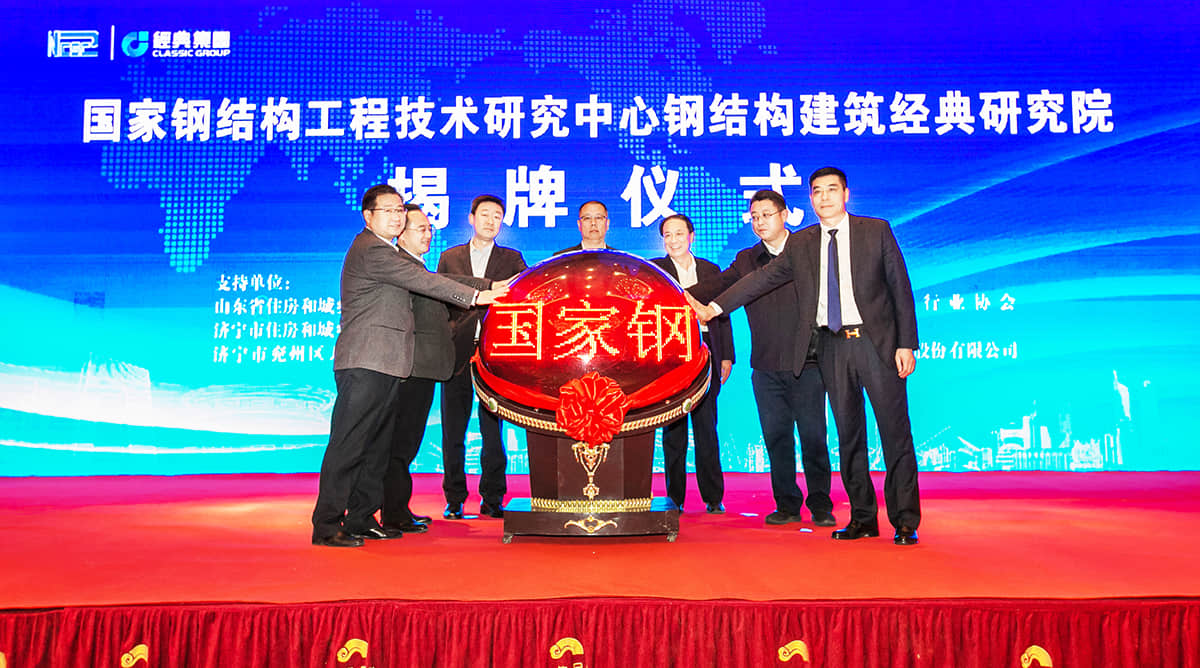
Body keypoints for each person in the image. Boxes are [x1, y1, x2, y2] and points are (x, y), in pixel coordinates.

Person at [693, 168, 921, 545]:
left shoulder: (875, 230)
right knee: (849, 436)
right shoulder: (802, 243)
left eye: (832, 190)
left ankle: (905, 520)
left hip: (877, 344)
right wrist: (714, 308)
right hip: (831, 347)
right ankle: (863, 517)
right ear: (810, 199)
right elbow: (759, 280)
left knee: (895, 434)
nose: (824, 197)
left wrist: (906, 343)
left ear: (846, 194)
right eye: (817, 191)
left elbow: (900, 288)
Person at [311, 185, 506, 548]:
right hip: (366, 361)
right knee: (349, 444)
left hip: (390, 364)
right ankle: (326, 523)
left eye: (399, 209)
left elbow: (433, 277)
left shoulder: (390, 252)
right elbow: (423, 280)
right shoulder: (371, 249)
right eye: (388, 210)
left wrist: (488, 285)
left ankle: (361, 517)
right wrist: (478, 296)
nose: (396, 216)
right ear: (368, 216)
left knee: (375, 446)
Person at [686, 191, 835, 528]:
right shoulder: (746, 259)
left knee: (813, 437)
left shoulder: (808, 249)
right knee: (776, 437)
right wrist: (678, 293)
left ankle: (821, 504)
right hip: (765, 365)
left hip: (808, 361)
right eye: (754, 216)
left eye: (767, 214)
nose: (759, 222)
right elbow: (719, 285)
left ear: (785, 215)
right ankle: (787, 504)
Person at [374, 205, 491, 534]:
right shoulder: (402, 266)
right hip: (411, 368)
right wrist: (481, 293)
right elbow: (440, 286)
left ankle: (398, 508)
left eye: (429, 229)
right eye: (420, 229)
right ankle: (392, 512)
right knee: (400, 444)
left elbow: (443, 283)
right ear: (401, 234)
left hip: (424, 368)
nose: (428, 234)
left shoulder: (416, 265)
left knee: (406, 443)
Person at [437, 195, 528, 519]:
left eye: (497, 216)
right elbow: (441, 297)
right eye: (485, 214)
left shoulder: (512, 258)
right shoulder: (450, 257)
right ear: (471, 218)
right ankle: (454, 498)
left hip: (494, 355)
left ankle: (493, 497)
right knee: (453, 430)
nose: (491, 221)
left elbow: (522, 299)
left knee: (492, 431)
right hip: (457, 353)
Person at [650, 214, 734, 513]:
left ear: (691, 236)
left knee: (706, 426)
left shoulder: (711, 270)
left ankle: (713, 497)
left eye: (679, 234)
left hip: (707, 350)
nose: (673, 240)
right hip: (672, 355)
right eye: (667, 235)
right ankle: (675, 498)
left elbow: (723, 313)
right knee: (673, 429)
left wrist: (727, 356)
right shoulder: (656, 270)